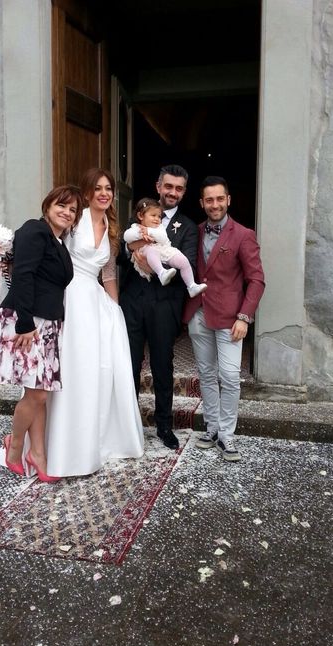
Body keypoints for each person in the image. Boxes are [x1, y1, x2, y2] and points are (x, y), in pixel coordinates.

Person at [44, 168, 144, 477]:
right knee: (71, 365)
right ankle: (60, 445)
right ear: (88, 193)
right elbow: (53, 250)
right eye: (98, 188)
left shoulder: (112, 228)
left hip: (95, 300)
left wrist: (114, 308)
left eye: (108, 188)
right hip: (69, 296)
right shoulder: (75, 220)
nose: (104, 193)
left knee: (97, 369)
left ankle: (94, 440)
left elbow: (109, 273)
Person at [0, 185, 80, 482]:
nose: (67, 212)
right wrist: (25, 323)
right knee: (38, 393)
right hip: (27, 321)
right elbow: (23, 274)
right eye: (61, 205)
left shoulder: (58, 242)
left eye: (73, 210)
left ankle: (38, 455)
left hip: (48, 324)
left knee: (39, 393)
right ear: (47, 206)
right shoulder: (34, 230)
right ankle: (15, 445)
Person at [183, 176, 265, 462]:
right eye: (209, 200)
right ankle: (212, 428)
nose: (215, 204)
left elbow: (256, 280)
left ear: (228, 200)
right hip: (199, 313)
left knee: (229, 376)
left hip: (231, 318)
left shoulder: (243, 235)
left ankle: (227, 434)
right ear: (202, 203)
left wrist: (244, 317)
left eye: (220, 199)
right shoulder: (194, 231)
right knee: (206, 374)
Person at [118, 164, 198, 450]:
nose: (172, 192)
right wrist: (130, 249)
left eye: (178, 188)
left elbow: (189, 262)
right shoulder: (139, 217)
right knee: (129, 363)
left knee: (162, 365)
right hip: (132, 301)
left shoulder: (188, 227)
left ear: (184, 192)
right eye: (168, 186)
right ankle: (127, 426)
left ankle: (164, 424)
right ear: (158, 186)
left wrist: (152, 263)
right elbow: (119, 255)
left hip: (165, 304)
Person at [124, 197, 207, 297]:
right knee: (151, 251)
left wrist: (149, 231)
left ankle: (191, 285)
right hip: (145, 251)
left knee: (183, 260)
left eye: (159, 216)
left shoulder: (160, 227)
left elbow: (163, 238)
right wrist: (140, 235)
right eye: (153, 215)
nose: (157, 219)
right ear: (140, 216)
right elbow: (127, 237)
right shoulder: (136, 226)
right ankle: (161, 272)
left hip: (163, 251)